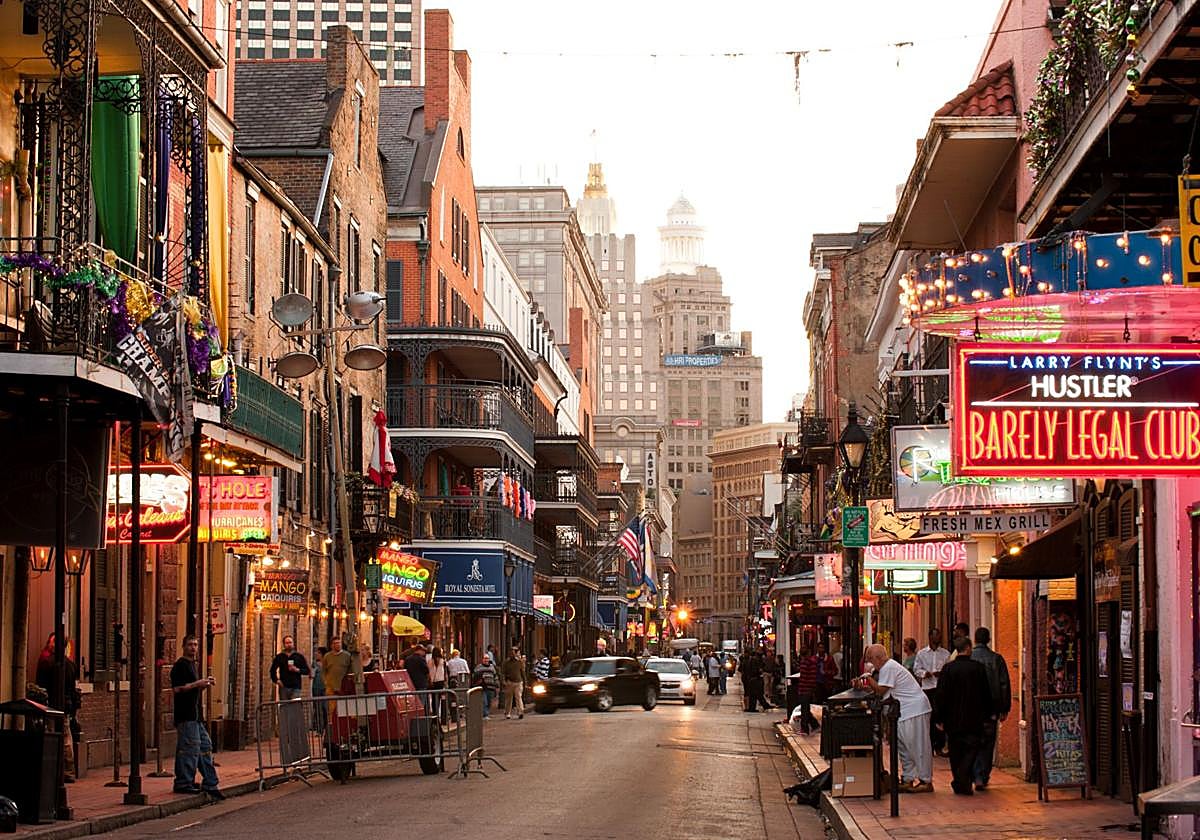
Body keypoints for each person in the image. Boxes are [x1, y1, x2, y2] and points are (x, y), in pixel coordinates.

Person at [855, 643, 933, 793]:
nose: (870, 664)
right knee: (904, 746)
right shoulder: (886, 668)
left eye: (870, 660)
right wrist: (864, 685)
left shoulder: (889, 667)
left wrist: (868, 678)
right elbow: (883, 691)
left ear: (878, 658)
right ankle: (908, 778)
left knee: (917, 745)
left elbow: (880, 690)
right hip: (904, 712)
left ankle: (925, 780)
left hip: (913, 710)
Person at [936, 636, 993, 795]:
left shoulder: (948, 669)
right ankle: (962, 780)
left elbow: (941, 694)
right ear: (968, 649)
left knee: (956, 751)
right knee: (972, 748)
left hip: (953, 718)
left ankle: (961, 781)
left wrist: (939, 717)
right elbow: (986, 693)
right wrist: (988, 714)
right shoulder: (978, 669)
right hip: (974, 717)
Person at [170, 635, 223, 798]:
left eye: (195, 645)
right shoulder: (180, 666)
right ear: (183, 646)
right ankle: (183, 782)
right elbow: (178, 689)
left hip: (195, 715)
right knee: (189, 749)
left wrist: (204, 684)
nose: (193, 648)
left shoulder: (193, 665)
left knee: (205, 746)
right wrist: (197, 684)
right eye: (190, 645)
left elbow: (193, 689)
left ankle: (210, 782)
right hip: (185, 715)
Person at [970, 627, 1012, 790]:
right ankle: (982, 774)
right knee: (987, 742)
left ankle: (976, 774)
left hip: (972, 708)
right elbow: (1004, 684)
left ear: (975, 639)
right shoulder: (996, 659)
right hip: (990, 709)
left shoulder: (969, 658)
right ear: (988, 640)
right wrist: (1004, 707)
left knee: (973, 740)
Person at [35, 634, 79, 782]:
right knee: (66, 739)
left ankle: (52, 768)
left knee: (51, 737)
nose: (49, 644)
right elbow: (73, 689)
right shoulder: (71, 665)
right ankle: (68, 770)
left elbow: (40, 686)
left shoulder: (47, 663)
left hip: (49, 706)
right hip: (65, 706)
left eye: (52, 641)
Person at [913, 628, 951, 757]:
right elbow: (916, 669)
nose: (937, 639)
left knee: (939, 717)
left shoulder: (946, 654)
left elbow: (949, 669)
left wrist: (942, 674)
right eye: (935, 636)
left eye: (939, 636)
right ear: (930, 637)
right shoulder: (922, 654)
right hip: (928, 689)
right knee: (928, 717)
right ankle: (928, 745)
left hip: (941, 689)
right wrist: (925, 674)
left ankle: (939, 745)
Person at [268, 635, 310, 701]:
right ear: (284, 644)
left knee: (295, 705)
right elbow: (272, 670)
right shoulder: (280, 656)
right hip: (284, 686)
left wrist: (297, 670)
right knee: (284, 706)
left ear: (293, 643)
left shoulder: (298, 656)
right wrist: (276, 680)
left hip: (296, 686)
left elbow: (307, 670)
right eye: (287, 643)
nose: (289, 644)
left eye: (290, 642)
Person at [792, 646, 819, 734]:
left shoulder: (805, 663)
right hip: (808, 688)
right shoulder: (812, 663)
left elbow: (804, 677)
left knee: (804, 709)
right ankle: (814, 725)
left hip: (805, 688)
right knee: (805, 709)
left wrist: (802, 688)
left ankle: (805, 728)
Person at [501, 646, 525, 719]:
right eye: (510, 653)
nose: (511, 654)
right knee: (509, 698)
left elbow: (522, 672)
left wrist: (525, 681)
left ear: (515, 653)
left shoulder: (519, 662)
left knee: (518, 696)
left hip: (518, 681)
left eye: (513, 653)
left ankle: (520, 712)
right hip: (509, 682)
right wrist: (503, 681)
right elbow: (503, 673)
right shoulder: (506, 662)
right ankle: (507, 713)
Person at [472, 653, 500, 718]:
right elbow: (475, 676)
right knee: (484, 701)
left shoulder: (492, 667)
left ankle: (486, 712)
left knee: (489, 701)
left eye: (487, 658)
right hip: (483, 687)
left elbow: (495, 676)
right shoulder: (478, 667)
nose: (486, 660)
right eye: (484, 658)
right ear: (482, 659)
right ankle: (485, 714)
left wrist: (497, 684)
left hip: (491, 687)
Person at [427, 646, 448, 722]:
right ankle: (442, 718)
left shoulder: (429, 661)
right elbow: (445, 673)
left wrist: (430, 680)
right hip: (440, 682)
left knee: (433, 698)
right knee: (441, 699)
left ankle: (434, 716)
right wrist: (446, 682)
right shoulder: (443, 661)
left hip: (432, 682)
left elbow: (428, 673)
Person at [310, 646, 328, 732]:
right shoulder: (314, 663)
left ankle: (327, 727)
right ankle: (319, 729)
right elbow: (312, 674)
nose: (316, 654)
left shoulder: (327, 662)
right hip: (316, 687)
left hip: (325, 687)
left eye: (318, 652)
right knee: (317, 708)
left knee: (325, 708)